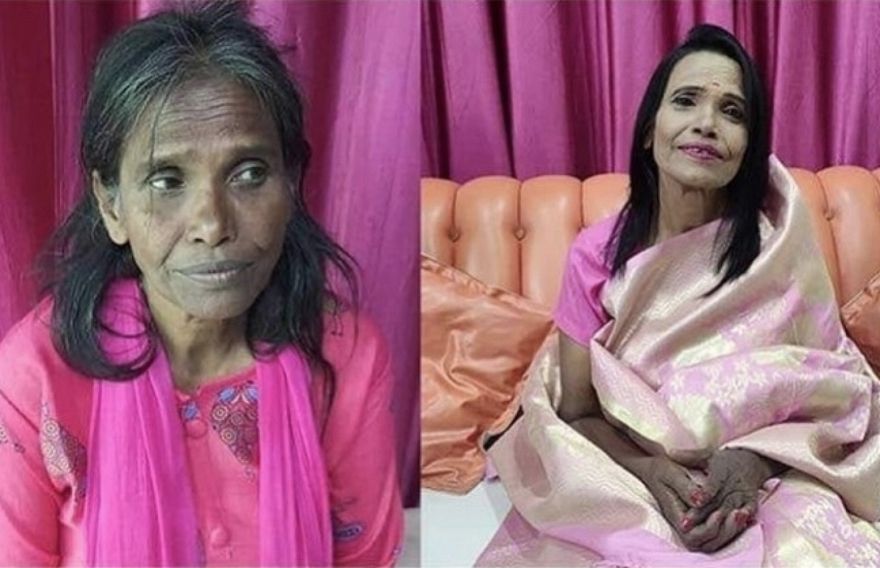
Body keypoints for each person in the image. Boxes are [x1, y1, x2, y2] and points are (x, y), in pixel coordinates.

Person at [0, 2, 403, 565]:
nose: (213, 224)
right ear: (112, 206)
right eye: (166, 181)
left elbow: (364, 558)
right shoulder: (38, 374)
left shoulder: (345, 355)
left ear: (291, 184)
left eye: (249, 173)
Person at [479, 24, 880, 566]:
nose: (707, 123)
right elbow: (579, 413)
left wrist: (755, 461)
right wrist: (652, 471)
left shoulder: (780, 247)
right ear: (650, 132)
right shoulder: (596, 256)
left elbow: (834, 389)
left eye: (732, 112)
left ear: (748, 148)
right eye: (686, 100)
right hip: (636, 468)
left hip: (778, 468)